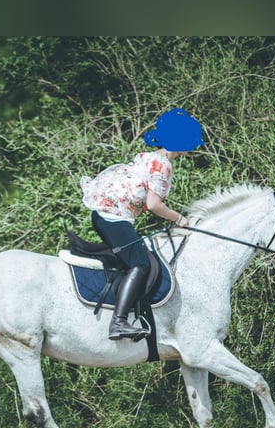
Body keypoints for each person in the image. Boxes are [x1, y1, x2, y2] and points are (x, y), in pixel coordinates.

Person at [80, 108, 205, 340]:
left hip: (108, 214)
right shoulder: (163, 165)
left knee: (137, 256)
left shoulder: (151, 157)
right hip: (113, 217)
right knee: (140, 264)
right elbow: (154, 204)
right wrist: (178, 218)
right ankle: (118, 323)